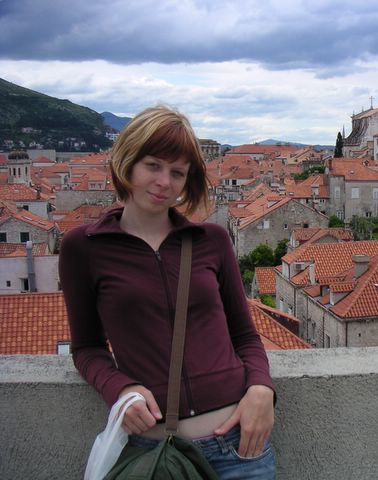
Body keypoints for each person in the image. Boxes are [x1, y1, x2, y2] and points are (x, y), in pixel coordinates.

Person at [59, 105, 276, 479]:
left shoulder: (211, 240)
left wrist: (261, 388)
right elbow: (87, 349)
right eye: (153, 166)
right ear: (127, 164)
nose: (164, 182)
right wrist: (120, 389)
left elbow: (244, 335)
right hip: (155, 456)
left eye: (177, 172)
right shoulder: (84, 247)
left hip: (240, 449)